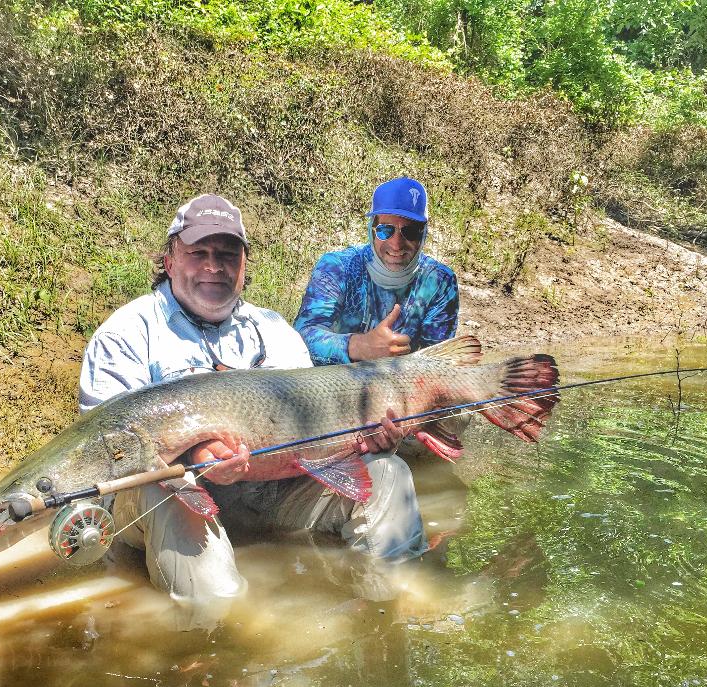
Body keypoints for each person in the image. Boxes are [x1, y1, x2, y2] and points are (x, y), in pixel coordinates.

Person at [78, 194, 426, 619]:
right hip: (169, 494)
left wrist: (369, 441)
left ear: (244, 265)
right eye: (198, 253)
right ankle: (214, 631)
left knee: (389, 473)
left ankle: (384, 609)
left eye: (227, 254)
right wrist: (194, 458)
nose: (214, 266)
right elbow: (108, 451)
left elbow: (312, 435)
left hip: (272, 490)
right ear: (169, 261)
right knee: (168, 501)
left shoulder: (274, 331)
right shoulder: (125, 335)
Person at [293, 176, 459, 365]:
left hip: (401, 387)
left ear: (423, 235)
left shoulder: (439, 283)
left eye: (410, 232)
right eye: (385, 230)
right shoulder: (337, 268)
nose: (396, 245)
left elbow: (440, 361)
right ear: (371, 230)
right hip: (329, 387)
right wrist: (359, 346)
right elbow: (301, 338)